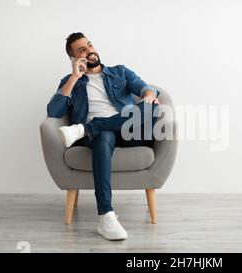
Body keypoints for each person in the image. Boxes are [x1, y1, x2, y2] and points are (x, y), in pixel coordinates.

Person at [47, 32, 159, 240]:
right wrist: (74, 76)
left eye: (89, 45)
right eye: (82, 49)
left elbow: (145, 88)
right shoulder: (71, 81)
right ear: (74, 58)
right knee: (104, 134)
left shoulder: (120, 72)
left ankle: (87, 128)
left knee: (151, 109)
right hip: (101, 138)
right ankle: (106, 216)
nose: (89, 50)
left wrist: (149, 94)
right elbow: (54, 112)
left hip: (128, 131)